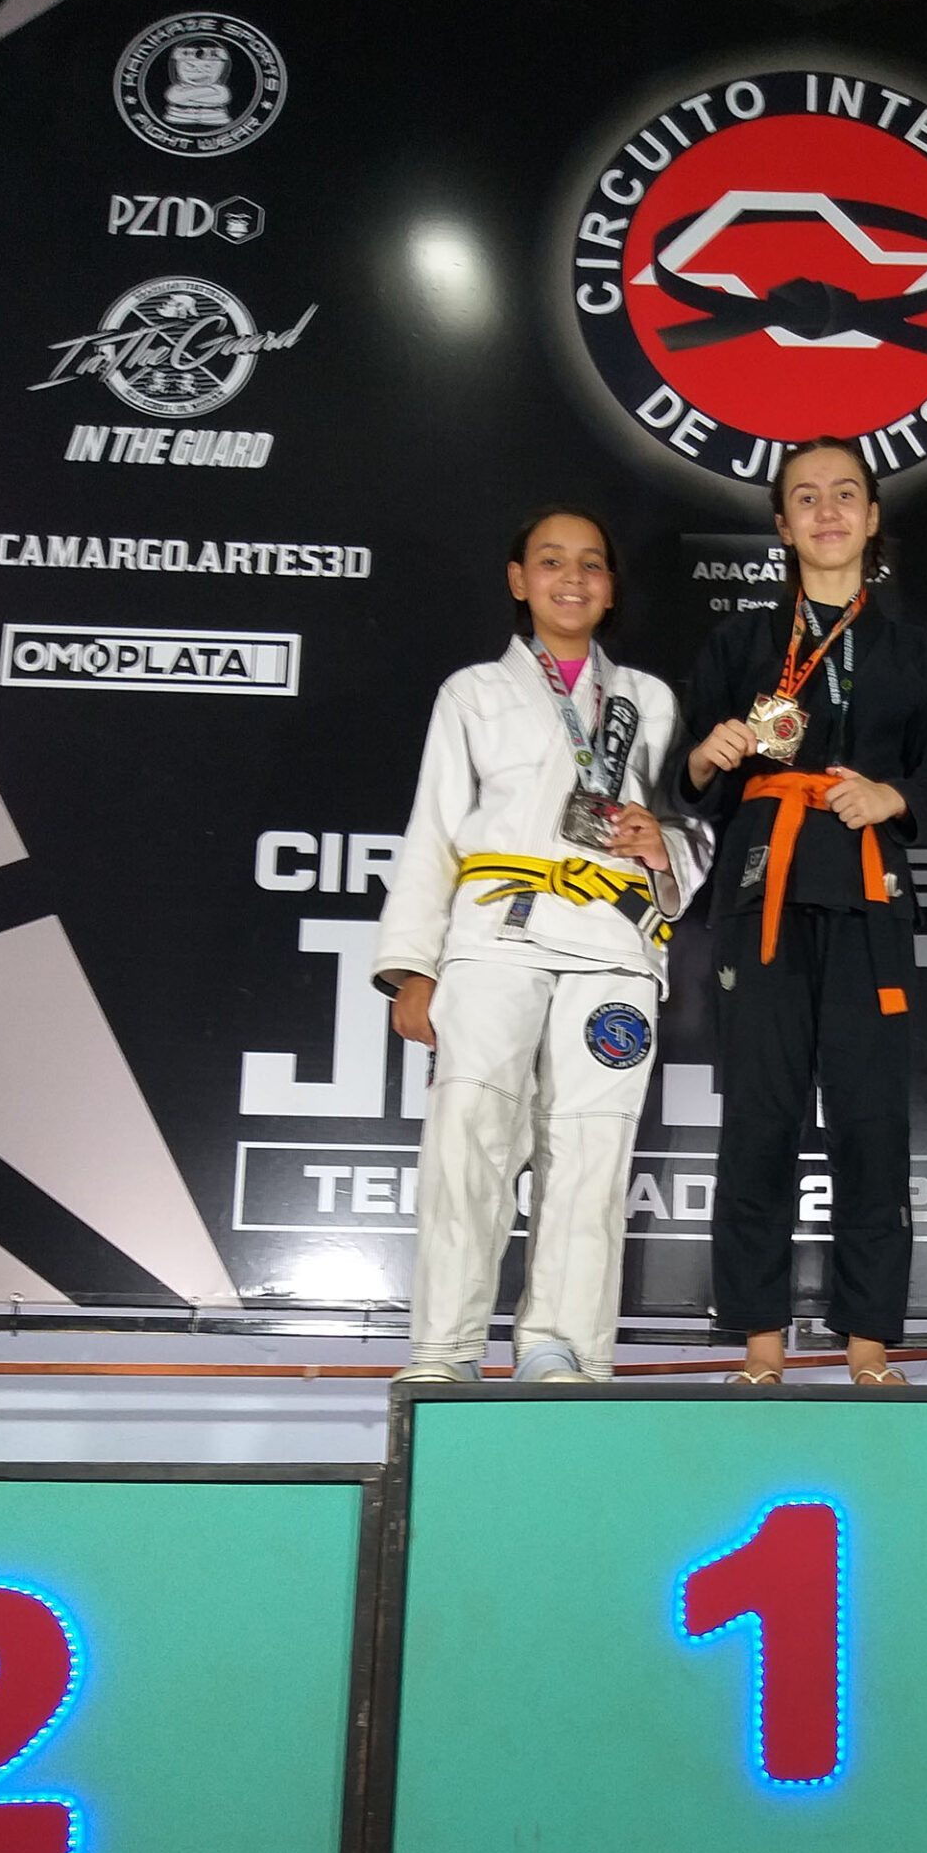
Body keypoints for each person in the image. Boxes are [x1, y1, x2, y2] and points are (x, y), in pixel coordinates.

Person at [374, 507, 709, 1383]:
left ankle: (564, 1349)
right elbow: (433, 828)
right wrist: (413, 967)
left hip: (611, 941)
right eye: (552, 561)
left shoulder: (650, 699)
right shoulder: (474, 692)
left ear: (611, 589)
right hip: (497, 935)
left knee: (593, 1148)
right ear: (519, 581)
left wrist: (665, 845)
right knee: (469, 1135)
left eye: (591, 564)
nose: (573, 578)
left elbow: (690, 822)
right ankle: (445, 1347)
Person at [675, 437, 927, 1386]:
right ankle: (761, 1343)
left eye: (846, 495)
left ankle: (868, 1343)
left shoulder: (915, 652)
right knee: (759, 1116)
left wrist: (891, 797)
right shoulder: (740, 644)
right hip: (762, 895)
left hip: (868, 899)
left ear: (873, 518)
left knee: (872, 1121)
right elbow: (690, 778)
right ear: (782, 524)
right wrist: (709, 756)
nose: (827, 511)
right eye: (806, 497)